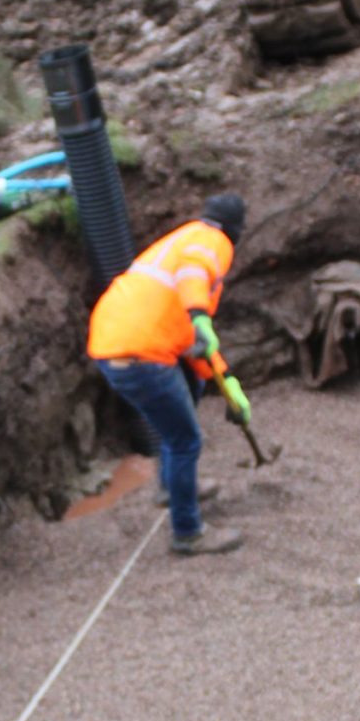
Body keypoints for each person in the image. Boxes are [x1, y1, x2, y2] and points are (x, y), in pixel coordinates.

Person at [86, 192, 251, 557]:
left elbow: (196, 344)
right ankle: (188, 532)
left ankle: (171, 486)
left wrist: (230, 387)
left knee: (187, 394)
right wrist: (199, 314)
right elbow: (194, 279)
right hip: (140, 354)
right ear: (235, 229)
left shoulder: (185, 237)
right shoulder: (212, 243)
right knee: (185, 439)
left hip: (117, 342)